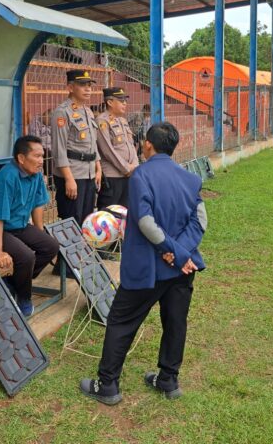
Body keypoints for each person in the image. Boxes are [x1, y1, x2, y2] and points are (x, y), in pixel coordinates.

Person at [80, 122, 207, 405]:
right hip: (181, 270)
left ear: (147, 144)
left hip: (148, 269)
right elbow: (200, 221)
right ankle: (168, 379)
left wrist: (172, 252)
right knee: (175, 322)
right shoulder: (190, 178)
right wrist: (180, 253)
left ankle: (108, 385)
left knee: (121, 321)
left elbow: (146, 222)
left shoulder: (141, 175)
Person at [0, 135, 60, 317]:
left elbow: (38, 203)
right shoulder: (7, 176)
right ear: (21, 158)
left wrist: (39, 232)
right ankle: (24, 297)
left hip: (17, 226)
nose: (41, 161)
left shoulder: (35, 174)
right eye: (37, 156)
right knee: (26, 257)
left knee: (50, 246)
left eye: (42, 156)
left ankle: (13, 283)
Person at [51, 69, 102, 227]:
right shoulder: (62, 112)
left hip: (89, 173)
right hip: (73, 173)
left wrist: (98, 168)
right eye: (82, 85)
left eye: (89, 85)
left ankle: (83, 245)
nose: (88, 89)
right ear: (70, 87)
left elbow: (92, 143)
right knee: (72, 221)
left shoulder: (87, 111)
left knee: (86, 220)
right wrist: (68, 179)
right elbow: (59, 149)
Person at [96, 87, 139, 209]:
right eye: (121, 100)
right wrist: (126, 168)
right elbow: (107, 151)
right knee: (110, 213)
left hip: (128, 175)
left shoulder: (122, 120)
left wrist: (135, 165)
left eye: (125, 100)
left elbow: (131, 145)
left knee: (125, 212)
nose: (125, 103)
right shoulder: (102, 121)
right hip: (113, 176)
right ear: (110, 102)